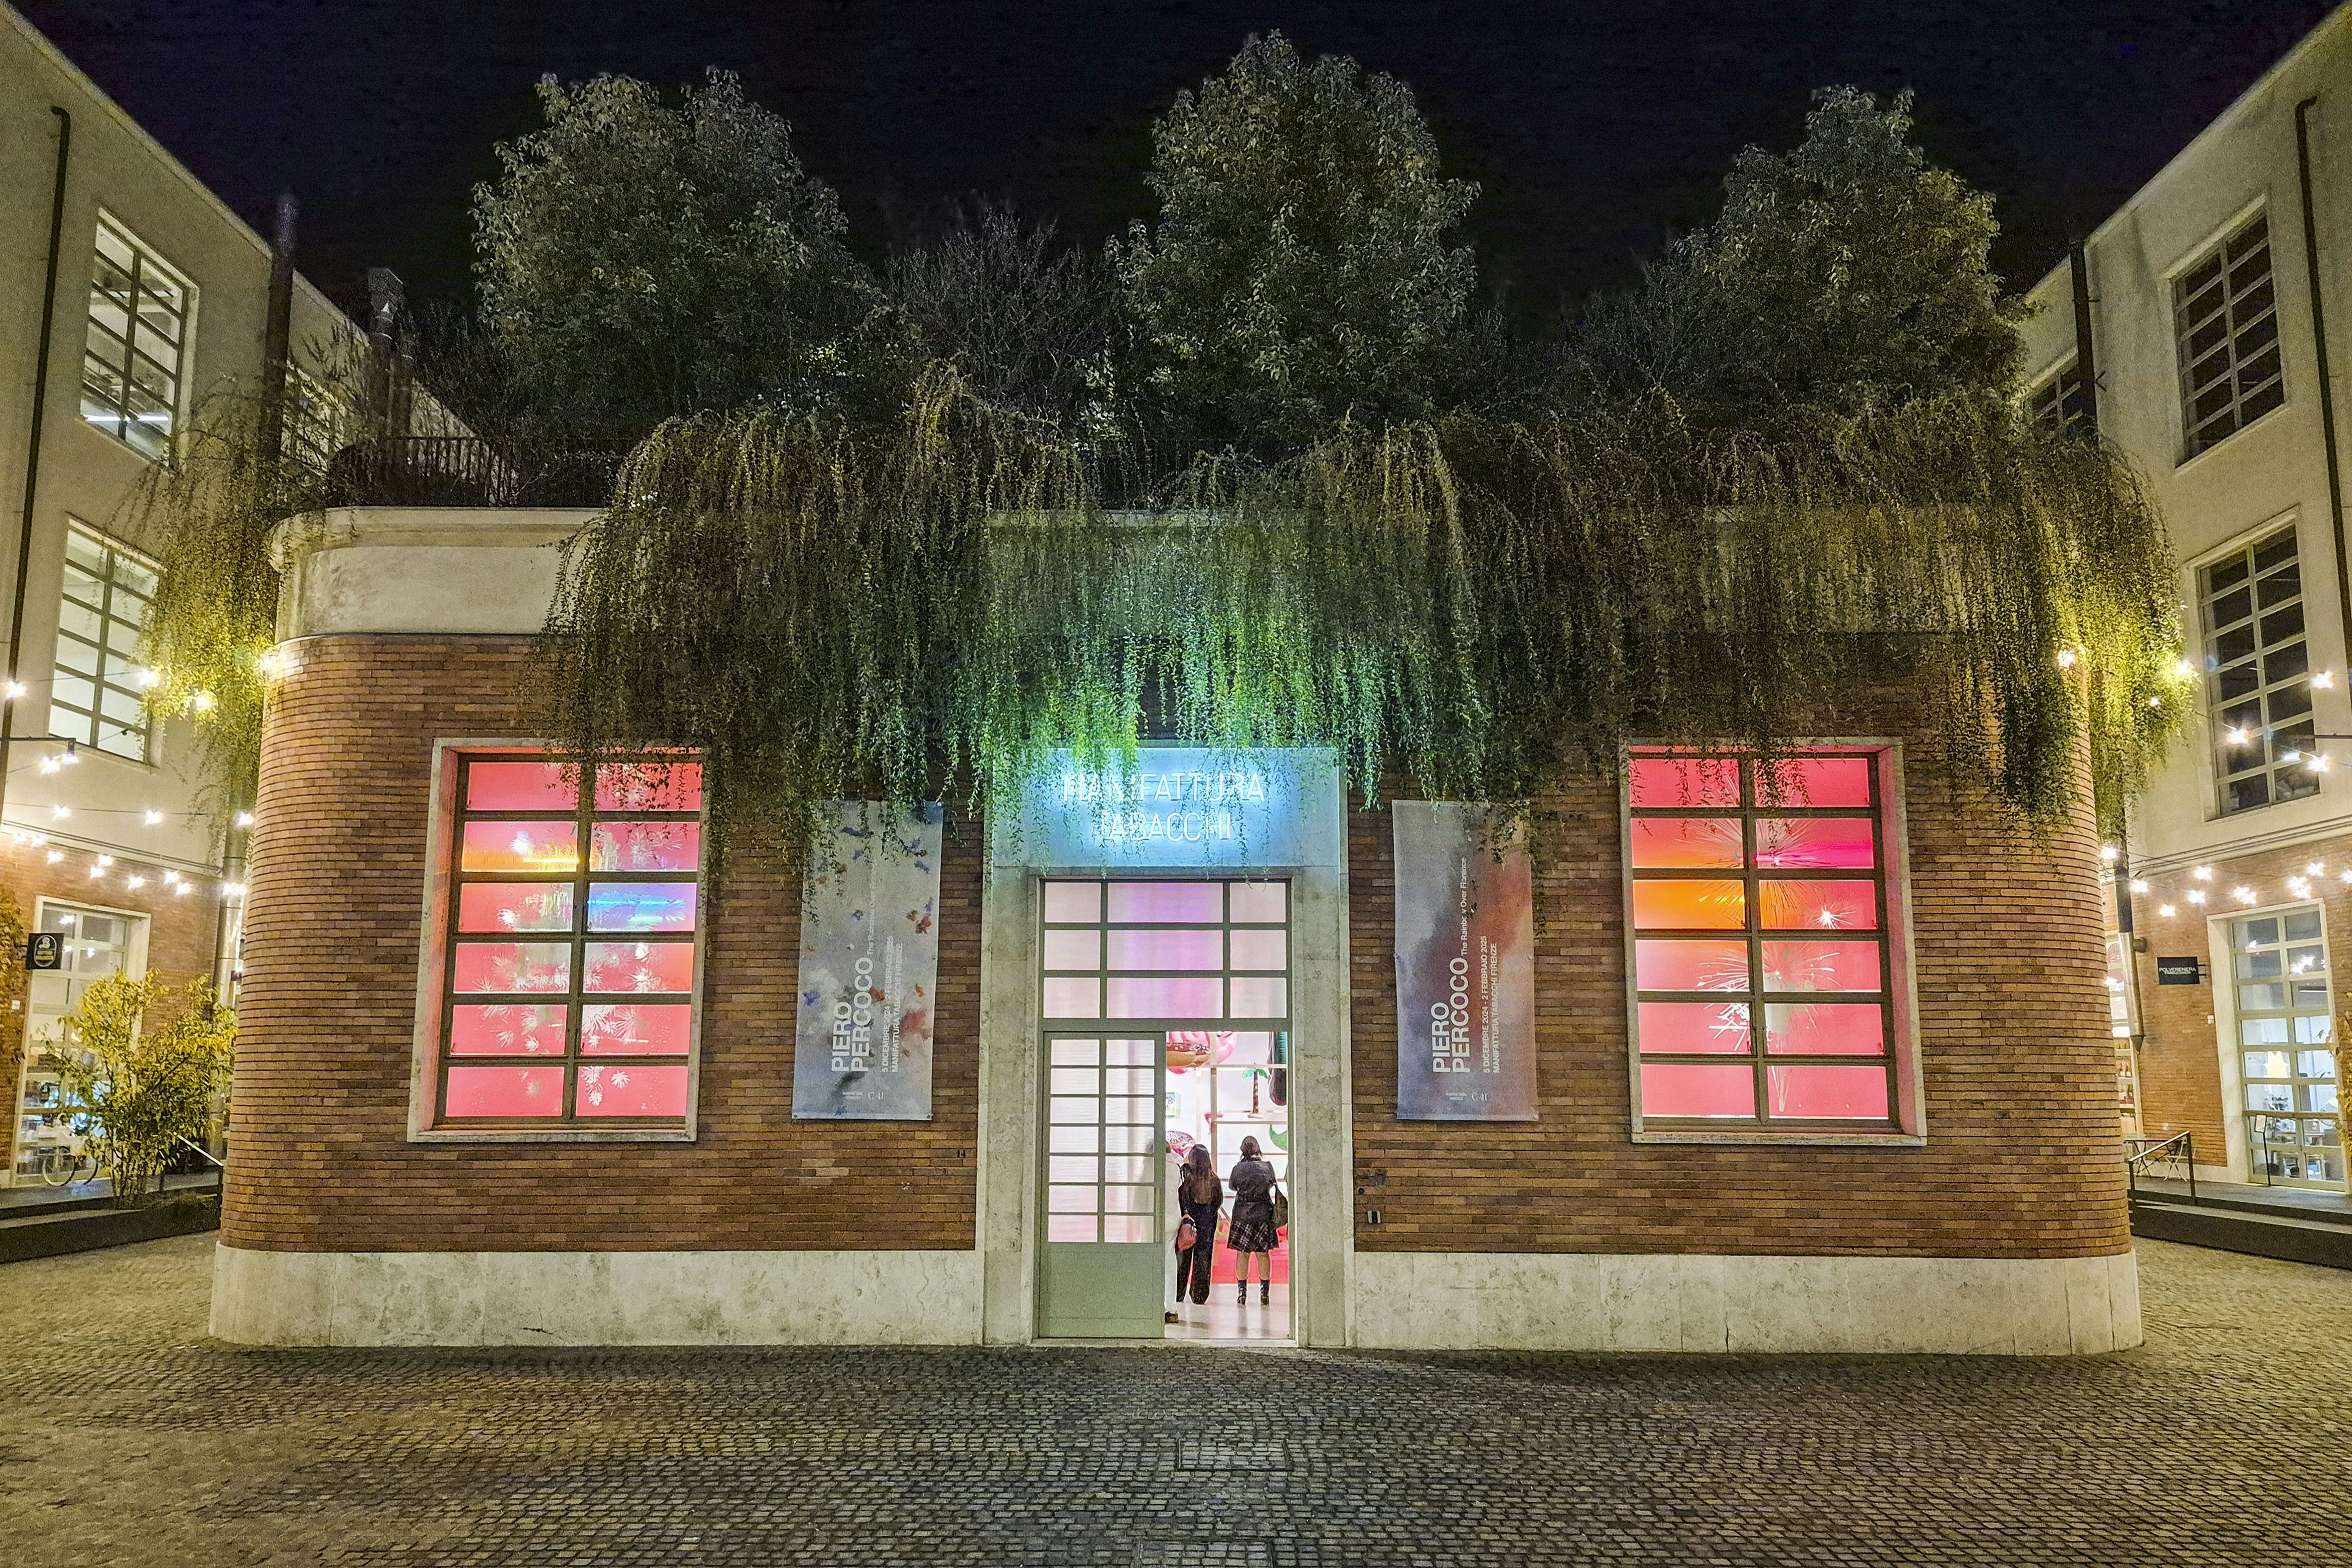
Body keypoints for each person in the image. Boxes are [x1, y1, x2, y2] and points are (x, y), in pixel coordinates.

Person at [1227, 1136, 1281, 1306]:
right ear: (1258, 1150)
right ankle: (1265, 1293)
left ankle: (1242, 1293)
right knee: (1263, 1254)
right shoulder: (1268, 1167)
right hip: (1263, 1215)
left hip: (1242, 1215)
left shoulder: (1238, 1169)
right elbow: (1271, 1184)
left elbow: (1232, 1186)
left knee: (1243, 1254)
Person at [1173, 1145, 1223, 1307]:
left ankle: (1178, 1293)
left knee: (1183, 1257)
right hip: (1207, 1223)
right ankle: (1199, 1295)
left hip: (1188, 1222)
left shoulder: (1186, 1176)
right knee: (1203, 1259)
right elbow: (1218, 1201)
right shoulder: (1214, 1180)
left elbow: (1181, 1198)